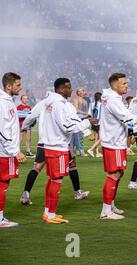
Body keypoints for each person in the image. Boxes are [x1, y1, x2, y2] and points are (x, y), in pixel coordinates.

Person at [39, 78, 96, 224]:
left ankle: (47, 212)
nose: (71, 90)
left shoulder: (49, 102)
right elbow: (68, 127)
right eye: (69, 87)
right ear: (61, 89)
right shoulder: (59, 104)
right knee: (57, 181)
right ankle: (51, 215)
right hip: (58, 147)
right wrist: (87, 123)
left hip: (50, 145)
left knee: (52, 180)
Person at [19, 91, 91, 206]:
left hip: (43, 141)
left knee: (37, 167)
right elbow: (74, 119)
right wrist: (87, 131)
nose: (71, 90)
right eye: (68, 88)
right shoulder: (64, 105)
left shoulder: (43, 103)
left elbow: (30, 116)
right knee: (67, 168)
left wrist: (24, 127)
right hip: (59, 143)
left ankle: (25, 194)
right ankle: (76, 193)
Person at [99, 73, 137, 220]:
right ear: (115, 85)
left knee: (119, 173)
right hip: (114, 142)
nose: (127, 86)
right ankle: (106, 211)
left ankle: (111, 205)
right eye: (124, 83)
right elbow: (130, 119)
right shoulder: (113, 100)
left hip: (116, 141)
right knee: (114, 174)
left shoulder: (112, 98)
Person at [0, 73, 27, 228]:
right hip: (5, 152)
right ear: (9, 86)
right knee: (3, 183)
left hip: (5, 151)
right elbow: (2, 130)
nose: (20, 87)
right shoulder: (4, 103)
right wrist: (15, 151)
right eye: (17, 85)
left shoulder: (7, 101)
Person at [71, 88, 89, 156]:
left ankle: (78, 151)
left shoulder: (85, 101)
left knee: (80, 135)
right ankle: (79, 150)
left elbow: (87, 110)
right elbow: (76, 110)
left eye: (82, 91)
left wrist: (87, 114)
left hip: (83, 119)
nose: (81, 92)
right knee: (76, 135)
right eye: (79, 91)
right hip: (77, 119)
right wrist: (85, 113)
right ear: (77, 93)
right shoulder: (75, 100)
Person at [87, 92, 103, 158]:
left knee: (96, 138)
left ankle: (97, 153)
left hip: (93, 123)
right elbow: (101, 115)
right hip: (99, 122)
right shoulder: (101, 105)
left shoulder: (91, 104)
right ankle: (91, 149)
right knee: (102, 138)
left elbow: (89, 114)